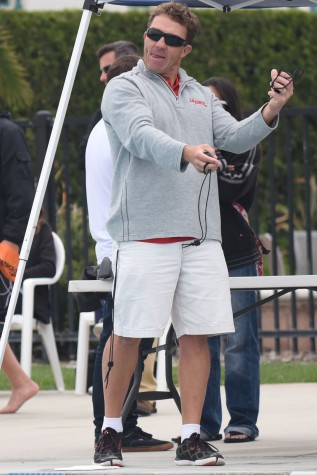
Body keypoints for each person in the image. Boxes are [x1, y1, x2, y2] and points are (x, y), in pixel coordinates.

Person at [95, 3, 293, 467]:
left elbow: (237, 137)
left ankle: (191, 436)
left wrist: (273, 108)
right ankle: (108, 432)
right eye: (152, 33)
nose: (157, 43)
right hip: (144, 238)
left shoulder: (202, 95)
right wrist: (186, 151)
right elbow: (141, 136)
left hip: (202, 241)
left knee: (197, 337)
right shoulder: (123, 89)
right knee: (128, 337)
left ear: (186, 48)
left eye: (169, 39)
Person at [85, 54, 172, 452]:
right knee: (122, 339)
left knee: (121, 337)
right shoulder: (116, 129)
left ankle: (116, 424)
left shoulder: (104, 128)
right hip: (124, 246)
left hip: (115, 245)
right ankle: (116, 426)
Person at [199, 77, 262, 443]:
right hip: (198, 252)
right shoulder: (189, 143)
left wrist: (200, 167)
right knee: (199, 341)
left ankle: (242, 420)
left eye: (217, 105)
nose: (210, 111)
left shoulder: (245, 144)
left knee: (240, 342)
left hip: (237, 251)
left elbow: (231, 186)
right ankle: (203, 424)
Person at [0, 110, 38, 414]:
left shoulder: (8, 134)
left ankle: (21, 382)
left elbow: (23, 194)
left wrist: (10, 241)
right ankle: (21, 382)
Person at [78, 41, 141, 172]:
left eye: (107, 69)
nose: (102, 77)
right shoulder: (101, 115)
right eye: (101, 71)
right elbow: (83, 160)